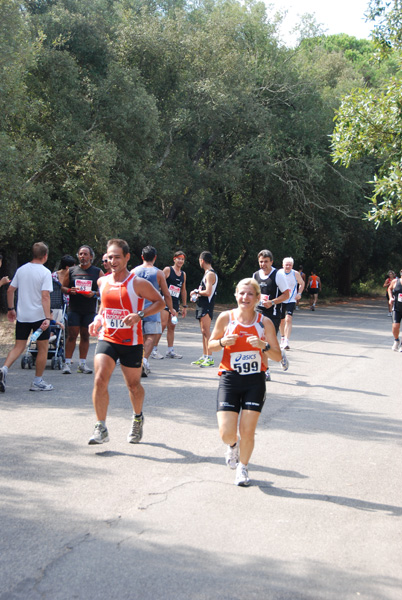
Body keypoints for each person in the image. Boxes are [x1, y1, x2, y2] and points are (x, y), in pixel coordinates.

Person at [87, 238, 165, 445]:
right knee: (100, 379)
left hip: (131, 341)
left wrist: (139, 315)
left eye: (117, 257)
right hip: (108, 337)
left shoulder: (137, 283)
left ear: (127, 257)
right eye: (109, 257)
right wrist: (97, 319)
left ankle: (138, 417)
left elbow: (160, 302)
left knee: (133, 385)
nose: (113, 261)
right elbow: (103, 308)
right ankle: (100, 426)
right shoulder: (102, 281)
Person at [208, 278, 281, 486]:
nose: (245, 298)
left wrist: (263, 345)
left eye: (250, 294)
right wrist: (222, 342)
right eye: (241, 293)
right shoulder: (226, 318)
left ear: (257, 298)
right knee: (226, 432)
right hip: (230, 379)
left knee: (247, 430)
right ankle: (232, 446)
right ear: (235, 295)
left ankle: (243, 468)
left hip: (255, 381)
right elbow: (210, 346)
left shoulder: (263, 323)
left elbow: (277, 356)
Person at [0, 242, 54, 392]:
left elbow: (10, 290)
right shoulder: (45, 272)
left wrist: (11, 308)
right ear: (45, 256)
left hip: (23, 315)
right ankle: (37, 381)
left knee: (19, 346)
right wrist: (47, 317)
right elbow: (45, 296)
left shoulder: (21, 270)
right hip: (39, 316)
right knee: (42, 348)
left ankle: (4, 368)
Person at [133, 246, 176, 376]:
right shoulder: (158, 273)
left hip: (136, 308)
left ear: (142, 257)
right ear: (155, 257)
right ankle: (144, 361)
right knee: (151, 336)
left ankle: (137, 361)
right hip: (152, 308)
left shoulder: (133, 271)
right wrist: (171, 308)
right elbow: (166, 293)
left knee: (138, 337)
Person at [62, 245, 103, 374]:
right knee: (72, 336)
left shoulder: (97, 272)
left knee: (85, 336)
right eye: (80, 254)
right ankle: (67, 364)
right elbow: (62, 287)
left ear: (91, 256)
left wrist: (95, 294)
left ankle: (82, 364)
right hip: (74, 308)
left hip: (89, 309)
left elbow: (104, 290)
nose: (82, 256)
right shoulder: (72, 271)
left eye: (85, 254)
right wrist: (69, 290)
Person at [252, 249, 290, 381]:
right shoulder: (255, 275)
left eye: (266, 262)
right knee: (260, 343)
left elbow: (287, 294)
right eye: (261, 262)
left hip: (273, 314)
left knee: (267, 344)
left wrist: (272, 302)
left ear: (271, 262)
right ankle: (265, 370)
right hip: (258, 313)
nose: (263, 264)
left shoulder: (277, 275)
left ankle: (280, 355)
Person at [152, 250, 188, 360]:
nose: (180, 261)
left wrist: (185, 306)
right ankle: (154, 349)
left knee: (172, 326)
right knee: (162, 325)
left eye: (182, 259)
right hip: (164, 302)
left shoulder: (183, 274)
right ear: (174, 259)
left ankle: (170, 350)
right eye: (179, 258)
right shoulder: (168, 270)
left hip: (175, 304)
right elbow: (158, 282)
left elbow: (183, 290)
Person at [190, 251, 218, 367]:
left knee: (206, 331)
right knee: (203, 331)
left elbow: (208, 292)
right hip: (201, 304)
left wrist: (196, 291)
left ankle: (210, 357)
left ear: (202, 261)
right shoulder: (207, 273)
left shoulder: (210, 274)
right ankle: (205, 355)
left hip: (206, 305)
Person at [279, 257, 305, 350]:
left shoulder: (295, 274)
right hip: (281, 299)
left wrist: (299, 293)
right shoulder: (279, 273)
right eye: (286, 264)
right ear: (283, 265)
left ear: (292, 266)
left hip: (291, 299)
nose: (288, 266)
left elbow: (302, 283)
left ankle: (286, 340)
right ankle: (282, 337)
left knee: (288, 319)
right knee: (281, 321)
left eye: (290, 265)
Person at [51, 254, 76, 322]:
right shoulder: (53, 276)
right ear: (67, 267)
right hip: (56, 306)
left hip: (70, 305)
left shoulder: (74, 277)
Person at [388, 270, 402, 351]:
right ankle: (396, 340)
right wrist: (391, 298)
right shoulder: (395, 281)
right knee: (395, 326)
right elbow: (389, 289)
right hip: (397, 307)